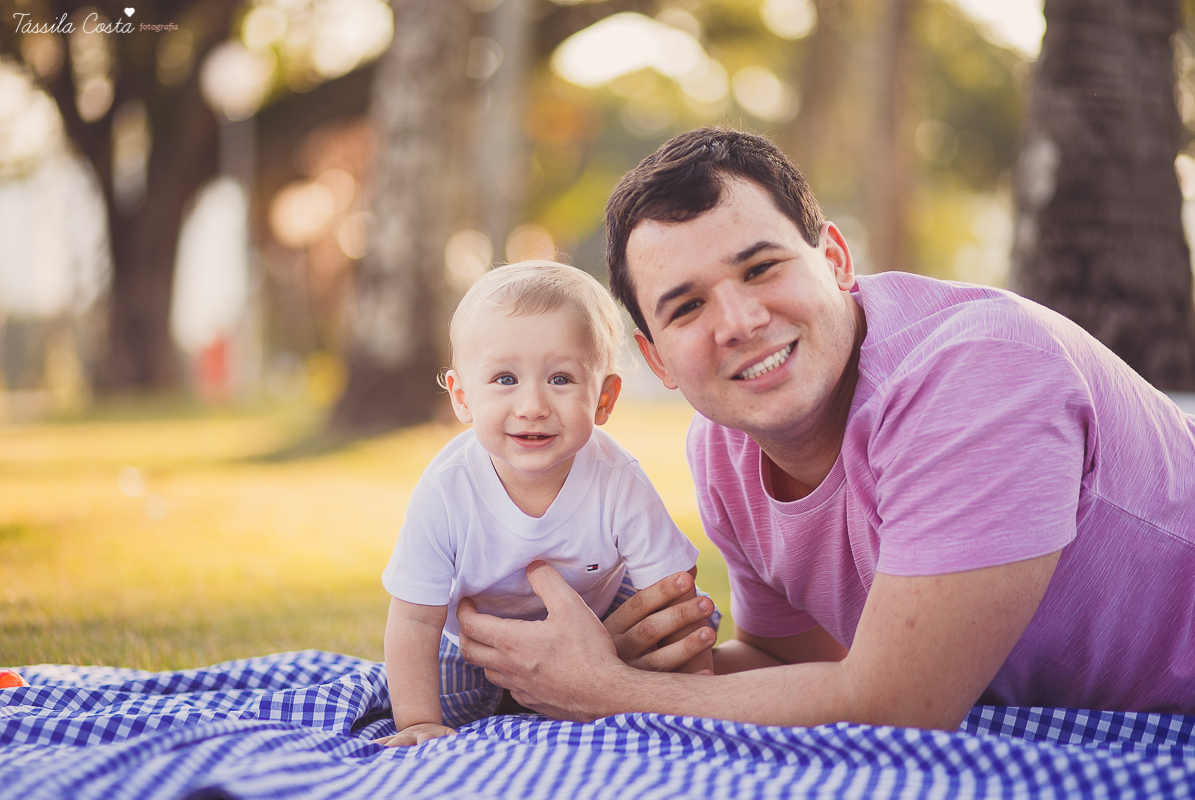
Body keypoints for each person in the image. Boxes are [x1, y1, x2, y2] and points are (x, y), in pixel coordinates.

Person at [456, 127, 1195, 730]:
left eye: (761, 268)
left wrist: (608, 692)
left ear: (835, 259)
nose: (740, 323)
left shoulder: (978, 373)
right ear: (656, 358)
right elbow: (802, 668)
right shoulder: (723, 449)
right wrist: (629, 660)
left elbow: (897, 707)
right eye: (686, 308)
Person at [376, 260, 714, 748]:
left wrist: (693, 704)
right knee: (440, 695)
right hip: (478, 644)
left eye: (560, 379)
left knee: (675, 620)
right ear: (462, 397)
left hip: (600, 623)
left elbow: (674, 594)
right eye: (505, 379)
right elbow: (413, 617)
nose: (532, 405)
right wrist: (417, 722)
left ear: (604, 399)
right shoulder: (447, 489)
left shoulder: (617, 480)